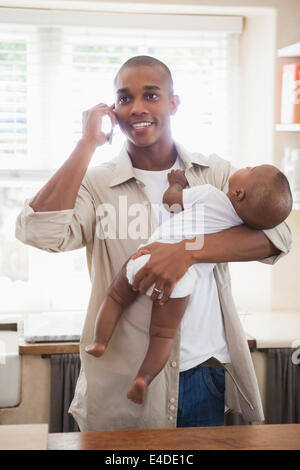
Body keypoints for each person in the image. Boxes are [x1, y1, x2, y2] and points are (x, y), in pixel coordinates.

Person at [15, 56, 292, 431]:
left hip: (201, 376)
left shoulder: (216, 175)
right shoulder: (96, 185)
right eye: (125, 99)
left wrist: (187, 252)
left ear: (173, 103)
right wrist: (86, 144)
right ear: (113, 109)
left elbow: (277, 237)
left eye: (151, 95)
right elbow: (39, 233)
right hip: (121, 382)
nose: (138, 108)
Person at [85, 165, 292, 405]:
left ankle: (100, 340)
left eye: (250, 169)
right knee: (163, 335)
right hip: (184, 282)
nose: (244, 166)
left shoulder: (210, 194)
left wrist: (177, 184)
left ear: (238, 194)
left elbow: (170, 200)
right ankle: (143, 378)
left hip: (148, 257)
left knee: (116, 298)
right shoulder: (244, 228)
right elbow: (277, 236)